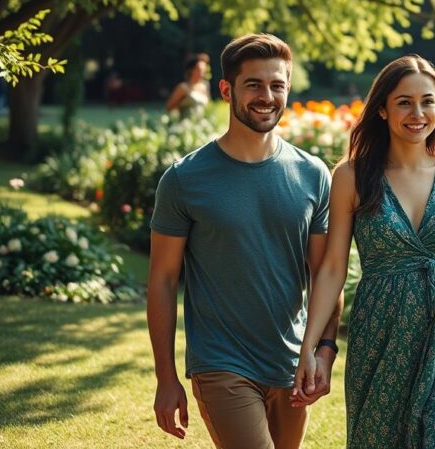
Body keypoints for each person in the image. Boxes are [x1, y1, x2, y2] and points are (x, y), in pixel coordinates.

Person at [293, 54, 435, 448]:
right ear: (382, 109)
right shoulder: (351, 176)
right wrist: (310, 347)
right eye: (404, 102)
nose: (418, 113)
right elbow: (332, 270)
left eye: (427, 101)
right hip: (381, 330)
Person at [147, 34, 342, 449]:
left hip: (292, 363)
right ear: (226, 89)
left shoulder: (313, 174)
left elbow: (325, 272)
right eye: (253, 84)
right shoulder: (185, 180)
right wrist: (166, 377)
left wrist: (324, 350)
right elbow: (162, 280)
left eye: (277, 85)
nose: (266, 96)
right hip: (221, 363)